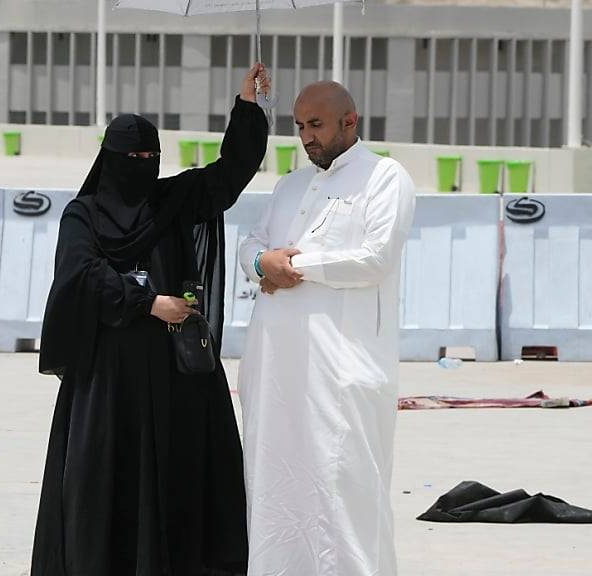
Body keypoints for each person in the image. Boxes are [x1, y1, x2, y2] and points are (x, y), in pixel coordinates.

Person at [32, 64, 270, 576]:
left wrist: (247, 107)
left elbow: (231, 172)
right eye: (131, 158)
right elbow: (81, 276)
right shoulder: (84, 215)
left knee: (179, 477)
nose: (142, 166)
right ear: (109, 160)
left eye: (150, 157)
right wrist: (148, 301)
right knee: (108, 479)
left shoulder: (173, 200)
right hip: (110, 379)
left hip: (174, 372)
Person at [237, 81, 416, 576]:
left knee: (344, 485)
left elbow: (374, 258)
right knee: (276, 483)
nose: (306, 137)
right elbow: (249, 244)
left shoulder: (385, 177)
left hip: (342, 371)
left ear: (349, 121)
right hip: (276, 368)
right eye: (298, 126)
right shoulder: (289, 185)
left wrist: (291, 268)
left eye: (315, 124)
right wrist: (260, 261)